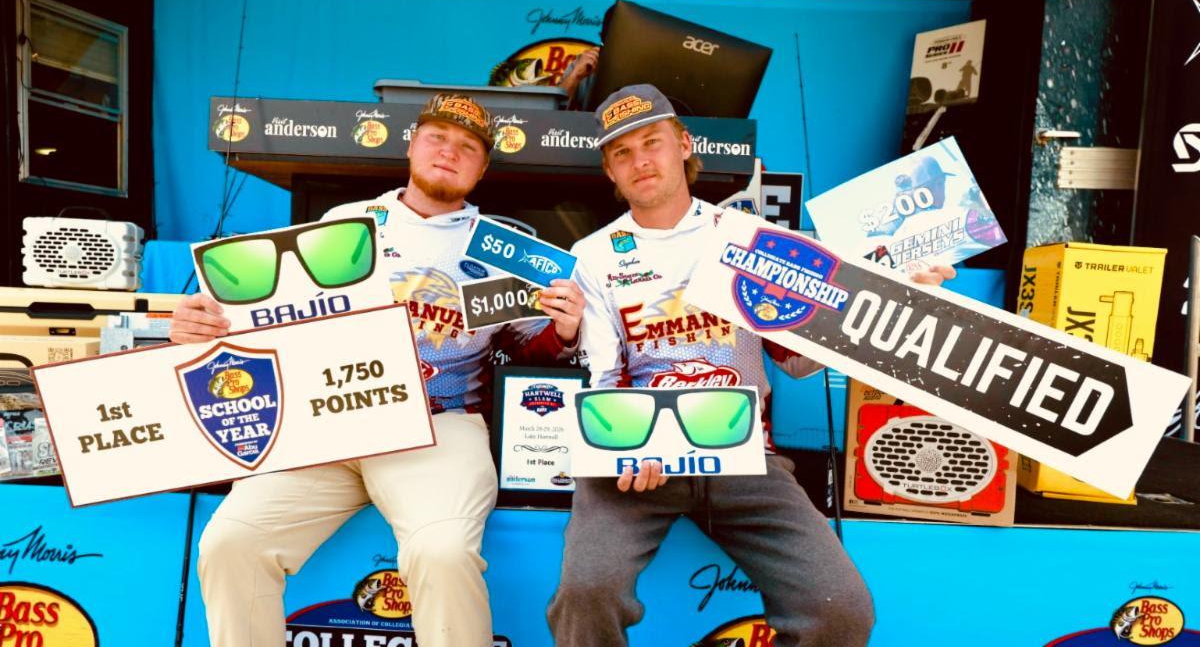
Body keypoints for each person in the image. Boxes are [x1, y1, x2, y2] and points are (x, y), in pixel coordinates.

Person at [547, 84, 957, 647]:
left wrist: (895, 297)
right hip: (641, 460)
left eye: (652, 142)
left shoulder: (750, 238)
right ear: (609, 171)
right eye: (622, 152)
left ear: (684, 145)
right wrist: (627, 449)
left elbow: (795, 360)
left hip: (745, 457)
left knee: (840, 608)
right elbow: (605, 375)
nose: (640, 160)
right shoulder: (593, 255)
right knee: (586, 591)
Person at [169, 93, 585, 647]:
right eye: (437, 137)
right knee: (230, 542)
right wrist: (205, 326)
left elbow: (529, 351)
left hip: (439, 425)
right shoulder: (346, 222)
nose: (449, 152)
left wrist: (564, 331)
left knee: (442, 552)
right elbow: (272, 324)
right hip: (332, 420)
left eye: (467, 147)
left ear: (483, 168)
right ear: (411, 145)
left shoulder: (506, 248)